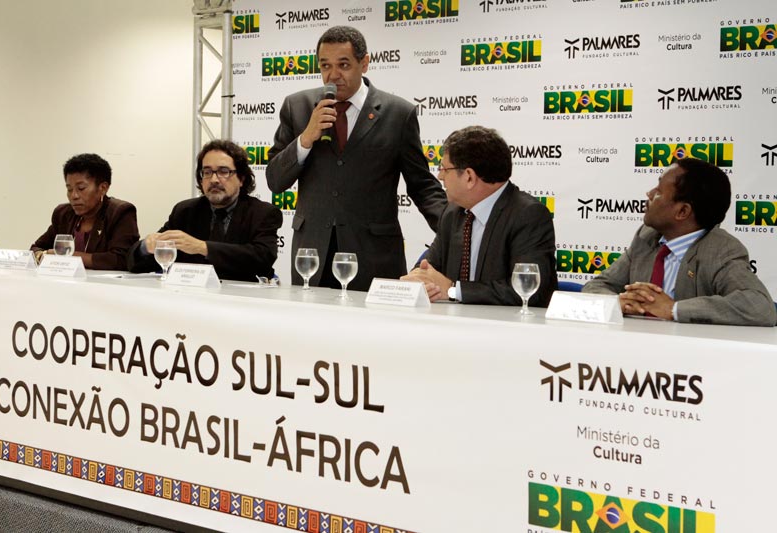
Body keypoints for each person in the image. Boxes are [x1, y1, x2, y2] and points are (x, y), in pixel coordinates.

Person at [266, 25, 447, 291]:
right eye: (325, 65)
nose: (333, 75)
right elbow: (275, 180)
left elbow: (422, 185)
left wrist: (455, 230)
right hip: (313, 256)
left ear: (364, 63)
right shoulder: (298, 107)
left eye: (343, 65)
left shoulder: (398, 114)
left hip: (374, 256)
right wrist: (305, 138)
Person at [582, 157, 776, 326]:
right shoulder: (646, 237)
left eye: (659, 192)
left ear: (682, 211)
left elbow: (759, 307)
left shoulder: (720, 249)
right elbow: (597, 286)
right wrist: (617, 303)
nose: (649, 194)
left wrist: (673, 309)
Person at [401, 126, 557, 306]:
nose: (440, 176)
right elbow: (429, 268)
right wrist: (418, 280)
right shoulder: (452, 213)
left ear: (469, 177)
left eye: (444, 169)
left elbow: (529, 290)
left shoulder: (528, 215)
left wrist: (453, 290)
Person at [127, 139, 282, 282]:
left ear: (241, 178)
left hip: (243, 298)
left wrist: (203, 247)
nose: (214, 179)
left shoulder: (262, 213)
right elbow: (140, 263)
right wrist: (146, 247)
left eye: (223, 171)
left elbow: (262, 258)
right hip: (192, 297)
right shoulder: (185, 211)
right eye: (207, 172)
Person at [31, 153, 139, 270]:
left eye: (81, 188)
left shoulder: (120, 212)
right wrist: (42, 255)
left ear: (103, 188)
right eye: (69, 189)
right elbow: (35, 248)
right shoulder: (63, 214)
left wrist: (67, 257)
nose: (74, 196)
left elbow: (122, 259)